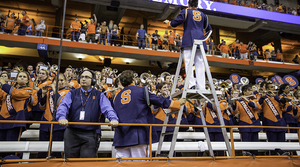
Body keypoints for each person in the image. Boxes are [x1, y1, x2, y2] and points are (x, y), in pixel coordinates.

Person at [113, 70, 186, 158]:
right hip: (138, 135)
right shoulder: (141, 90)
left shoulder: (117, 96)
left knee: (121, 165)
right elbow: (159, 100)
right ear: (133, 79)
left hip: (120, 137)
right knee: (140, 164)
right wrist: (177, 103)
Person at [56, 70, 119, 158]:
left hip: (90, 134)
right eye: (82, 77)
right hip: (72, 133)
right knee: (70, 161)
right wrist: (61, 117)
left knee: (87, 162)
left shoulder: (99, 95)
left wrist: (113, 119)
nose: (83, 79)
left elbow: (108, 108)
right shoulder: (72, 93)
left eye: (87, 77)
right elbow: (63, 106)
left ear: (93, 80)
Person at [164, 0, 212, 90]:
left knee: (189, 62)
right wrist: (203, 37)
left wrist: (168, 23)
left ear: (188, 4)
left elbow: (175, 23)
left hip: (189, 39)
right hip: (201, 40)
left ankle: (192, 84)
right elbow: (209, 30)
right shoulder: (203, 15)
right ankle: (201, 86)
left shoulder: (185, 11)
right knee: (200, 64)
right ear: (197, 5)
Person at [0, 71, 38, 141]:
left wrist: (4, 84)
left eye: (24, 77)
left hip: (16, 119)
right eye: (20, 76)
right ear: (16, 79)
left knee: (11, 145)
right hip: (3, 118)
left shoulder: (30, 90)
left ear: (27, 81)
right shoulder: (7, 89)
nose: (22, 78)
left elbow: (16, 94)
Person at [38, 73, 69, 158]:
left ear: (65, 82)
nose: (59, 82)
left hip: (59, 124)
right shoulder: (49, 91)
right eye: (57, 80)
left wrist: (54, 90)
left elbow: (60, 103)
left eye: (62, 80)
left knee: (57, 149)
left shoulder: (68, 92)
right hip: (46, 121)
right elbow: (42, 106)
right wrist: (43, 94)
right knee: (42, 148)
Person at [232, 85, 262, 156]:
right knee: (246, 146)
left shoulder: (253, 99)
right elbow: (234, 112)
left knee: (255, 146)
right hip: (244, 124)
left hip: (254, 124)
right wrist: (234, 103)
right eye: (250, 90)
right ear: (245, 92)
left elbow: (258, 107)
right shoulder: (238, 101)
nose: (252, 92)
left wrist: (247, 100)